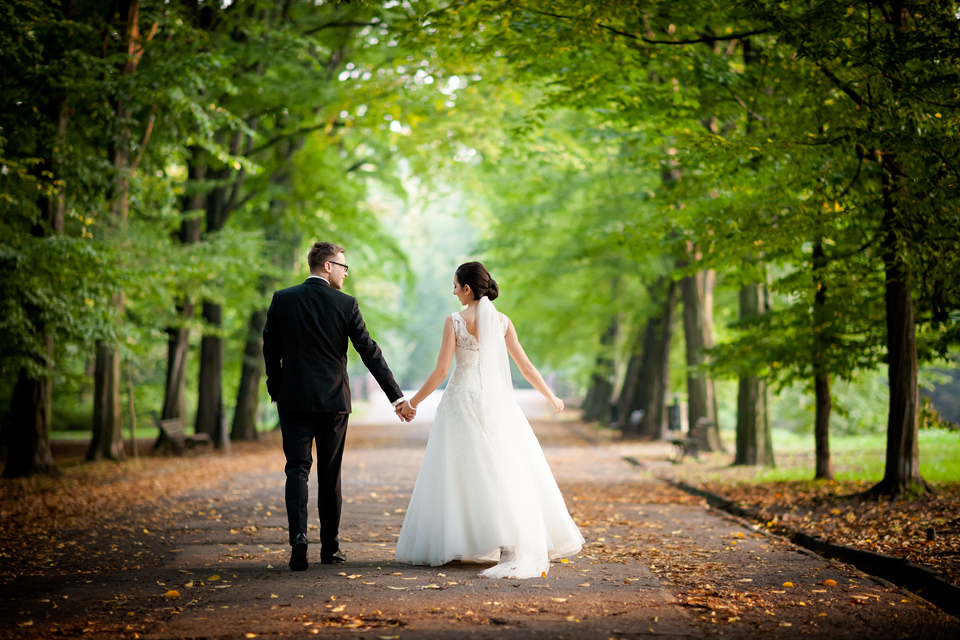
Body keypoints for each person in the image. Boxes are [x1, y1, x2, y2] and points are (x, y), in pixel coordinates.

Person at [395, 262, 584, 579]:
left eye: (455, 286)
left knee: (460, 472)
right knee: (501, 468)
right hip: (497, 405)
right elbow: (524, 367)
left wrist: (410, 403)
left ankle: (456, 540)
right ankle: (508, 540)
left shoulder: (454, 321)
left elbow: (442, 372)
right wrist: (551, 397)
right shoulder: (503, 322)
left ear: (467, 288)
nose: (454, 292)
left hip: (461, 402)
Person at [263, 241, 416, 571]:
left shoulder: (282, 300)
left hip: (293, 400)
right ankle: (330, 548)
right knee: (329, 476)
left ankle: (299, 538)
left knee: (296, 469)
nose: (346, 274)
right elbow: (369, 351)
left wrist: (277, 387)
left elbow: (269, 347)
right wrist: (397, 397)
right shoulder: (345, 305)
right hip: (333, 402)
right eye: (343, 267)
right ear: (328, 266)